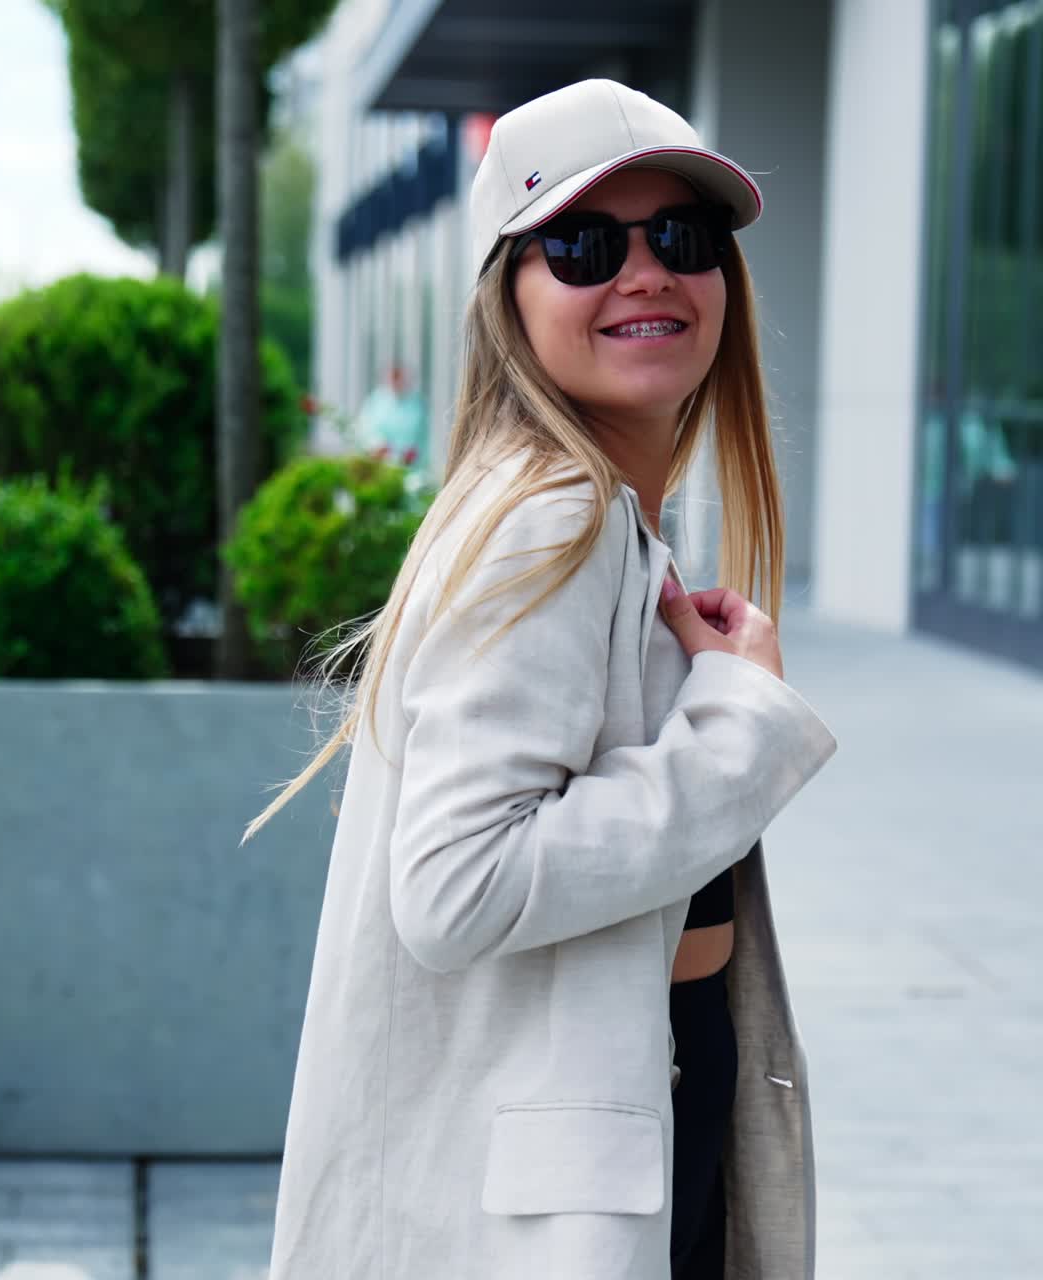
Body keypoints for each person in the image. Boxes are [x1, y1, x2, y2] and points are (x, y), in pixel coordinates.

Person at [248, 78, 838, 1280]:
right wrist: (736, 728)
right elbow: (456, 884)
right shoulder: (548, 519)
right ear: (507, 298)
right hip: (559, 1205)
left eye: (680, 236)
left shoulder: (592, 517)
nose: (644, 274)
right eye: (580, 246)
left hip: (629, 1120)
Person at [352, 363, 430, 474]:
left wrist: (416, 453)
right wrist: (378, 445)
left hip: (412, 467)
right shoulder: (376, 401)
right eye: (394, 379)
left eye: (400, 379)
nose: (397, 383)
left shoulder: (417, 403)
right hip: (380, 463)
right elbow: (364, 428)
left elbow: (424, 435)